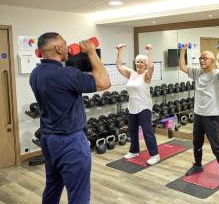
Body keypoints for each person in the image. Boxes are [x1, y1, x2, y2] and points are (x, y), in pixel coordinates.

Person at [30, 32, 111, 204]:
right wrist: (91, 52)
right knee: (79, 193)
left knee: (53, 185)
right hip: (70, 141)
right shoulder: (66, 74)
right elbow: (104, 82)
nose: (68, 47)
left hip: (48, 138)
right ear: (58, 48)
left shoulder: (35, 73)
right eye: (65, 44)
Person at [179, 43, 219, 186]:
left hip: (213, 115)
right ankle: (197, 164)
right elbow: (182, 67)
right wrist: (182, 51)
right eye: (200, 58)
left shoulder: (218, 74)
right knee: (197, 141)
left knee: (215, 145)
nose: (202, 60)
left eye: (205, 58)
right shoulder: (197, 72)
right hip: (198, 113)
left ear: (213, 61)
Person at [116, 43, 160, 165]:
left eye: (141, 62)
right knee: (132, 130)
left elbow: (151, 67)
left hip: (144, 107)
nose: (139, 63)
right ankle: (134, 150)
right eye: (137, 61)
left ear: (145, 64)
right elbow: (119, 66)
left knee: (147, 131)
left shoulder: (146, 76)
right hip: (132, 107)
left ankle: (155, 155)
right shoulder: (131, 74)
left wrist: (149, 52)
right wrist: (120, 51)